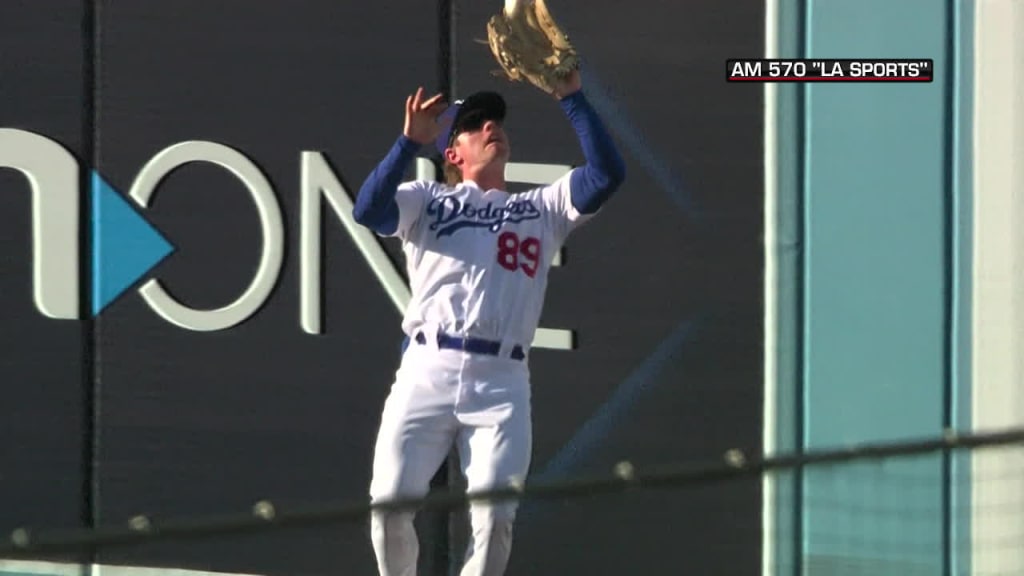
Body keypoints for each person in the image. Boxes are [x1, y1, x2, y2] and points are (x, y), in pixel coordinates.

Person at [352, 69, 625, 576]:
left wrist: (572, 97)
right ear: (452, 154)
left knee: (496, 521)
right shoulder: (427, 199)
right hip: (428, 369)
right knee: (388, 507)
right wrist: (407, 143)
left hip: (500, 381)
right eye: (474, 125)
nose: (489, 127)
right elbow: (367, 210)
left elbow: (607, 174)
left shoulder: (540, 207)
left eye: (494, 120)